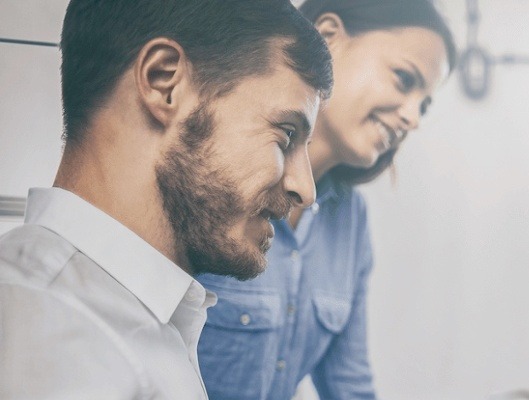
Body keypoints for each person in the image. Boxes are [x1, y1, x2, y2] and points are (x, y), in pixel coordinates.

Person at [0, 0, 333, 398]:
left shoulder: (139, 317)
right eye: (286, 135)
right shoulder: (49, 330)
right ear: (164, 82)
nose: (305, 188)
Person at [194, 0, 456, 399]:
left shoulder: (351, 220)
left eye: (425, 104)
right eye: (404, 79)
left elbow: (349, 385)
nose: (413, 118)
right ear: (328, 36)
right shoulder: (210, 171)